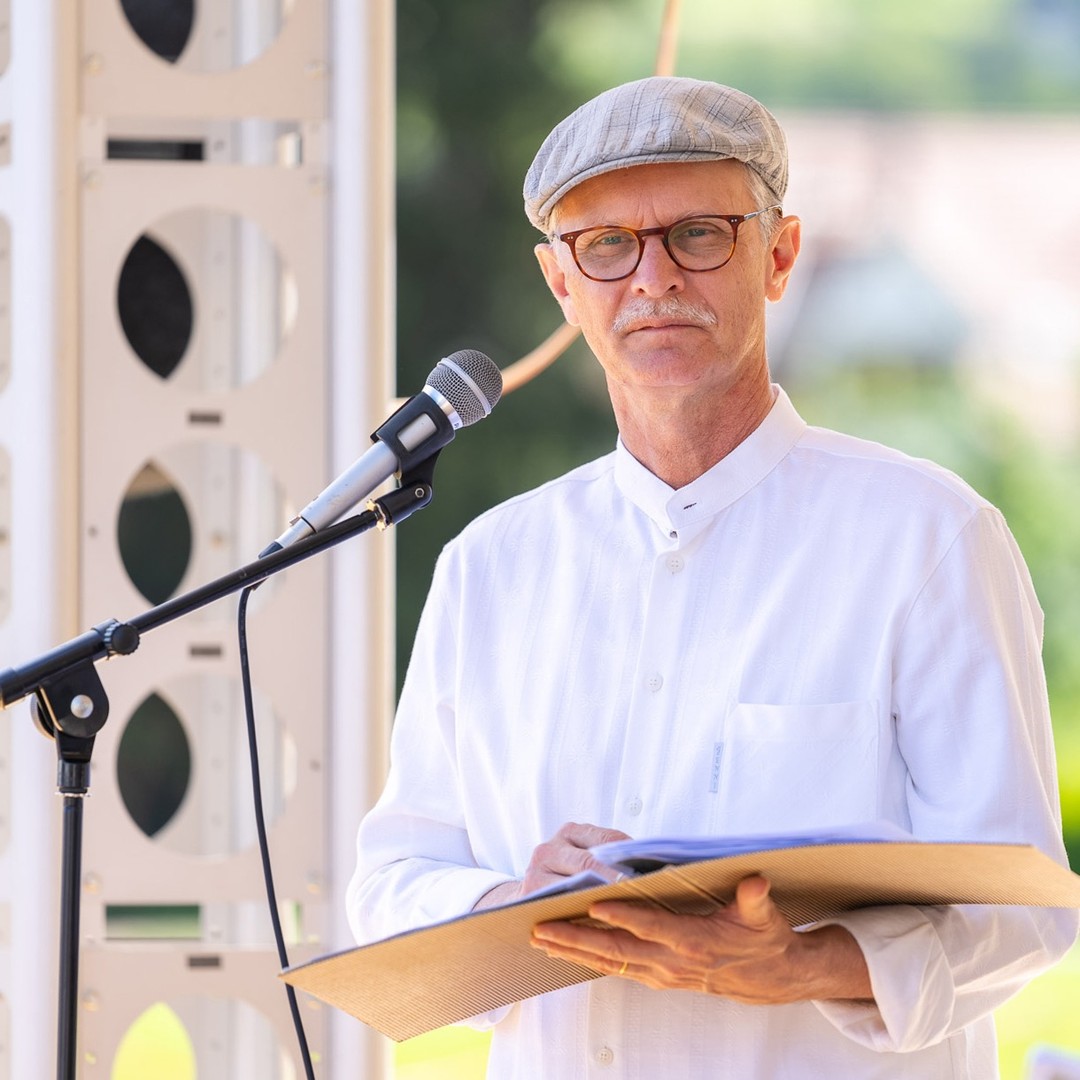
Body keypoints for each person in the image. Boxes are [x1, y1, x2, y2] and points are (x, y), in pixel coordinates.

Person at [348, 76, 1078, 1077]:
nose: (652, 278)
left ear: (779, 255)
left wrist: (804, 963)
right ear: (560, 284)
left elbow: (1022, 902)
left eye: (697, 233)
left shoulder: (929, 537)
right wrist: (505, 901)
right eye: (605, 245)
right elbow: (394, 878)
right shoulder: (493, 566)